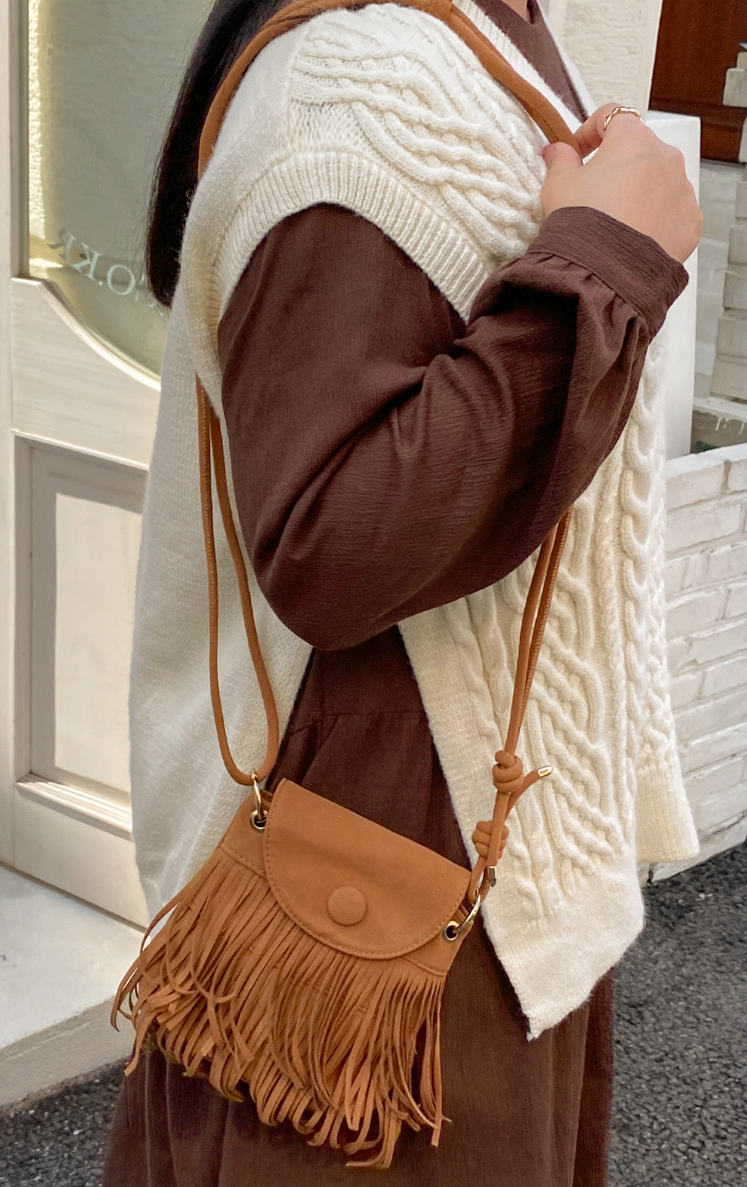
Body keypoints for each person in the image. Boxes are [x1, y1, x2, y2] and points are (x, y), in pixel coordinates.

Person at [104, 1, 703, 1183]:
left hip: (483, 830)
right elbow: (331, 544)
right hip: (384, 868)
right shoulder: (349, 87)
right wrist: (609, 264)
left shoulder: (488, 29)